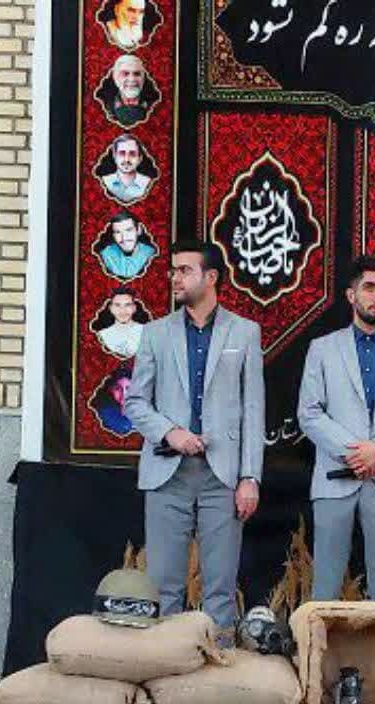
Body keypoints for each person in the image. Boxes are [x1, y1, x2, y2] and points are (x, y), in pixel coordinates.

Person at [124, 241, 265, 647]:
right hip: (167, 472)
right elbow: (135, 402)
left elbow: (253, 409)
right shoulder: (155, 333)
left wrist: (250, 477)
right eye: (173, 271)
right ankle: (169, 665)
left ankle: (219, 670)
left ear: (211, 277)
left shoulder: (244, 332)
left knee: (220, 588)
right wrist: (171, 432)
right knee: (164, 585)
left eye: (185, 270)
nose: (175, 278)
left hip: (223, 475)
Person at [298, 256, 375, 601]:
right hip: (335, 476)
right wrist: (357, 454)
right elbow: (309, 413)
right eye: (369, 288)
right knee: (325, 585)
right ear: (351, 295)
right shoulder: (322, 348)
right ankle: (320, 641)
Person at [99, 211, 156, 279]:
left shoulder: (150, 253)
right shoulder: (106, 254)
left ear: (139, 230)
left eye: (129, 230)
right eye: (117, 232)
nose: (124, 238)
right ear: (113, 235)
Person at [96, 286, 145, 357]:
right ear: (111, 308)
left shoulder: (146, 332)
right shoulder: (103, 334)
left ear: (134, 308)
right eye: (117, 305)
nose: (122, 310)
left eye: (127, 305)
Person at [101, 134, 152, 203]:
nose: (127, 159)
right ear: (114, 156)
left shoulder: (148, 183)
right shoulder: (105, 182)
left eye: (132, 154)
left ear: (140, 158)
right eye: (122, 153)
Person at [108, 54, 151, 126]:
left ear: (143, 78)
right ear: (115, 77)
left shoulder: (154, 105)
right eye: (125, 74)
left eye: (137, 74)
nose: (132, 79)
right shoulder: (106, 106)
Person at [92, 366, 134, 435]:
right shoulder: (105, 413)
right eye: (117, 388)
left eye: (128, 388)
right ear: (110, 390)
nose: (124, 393)